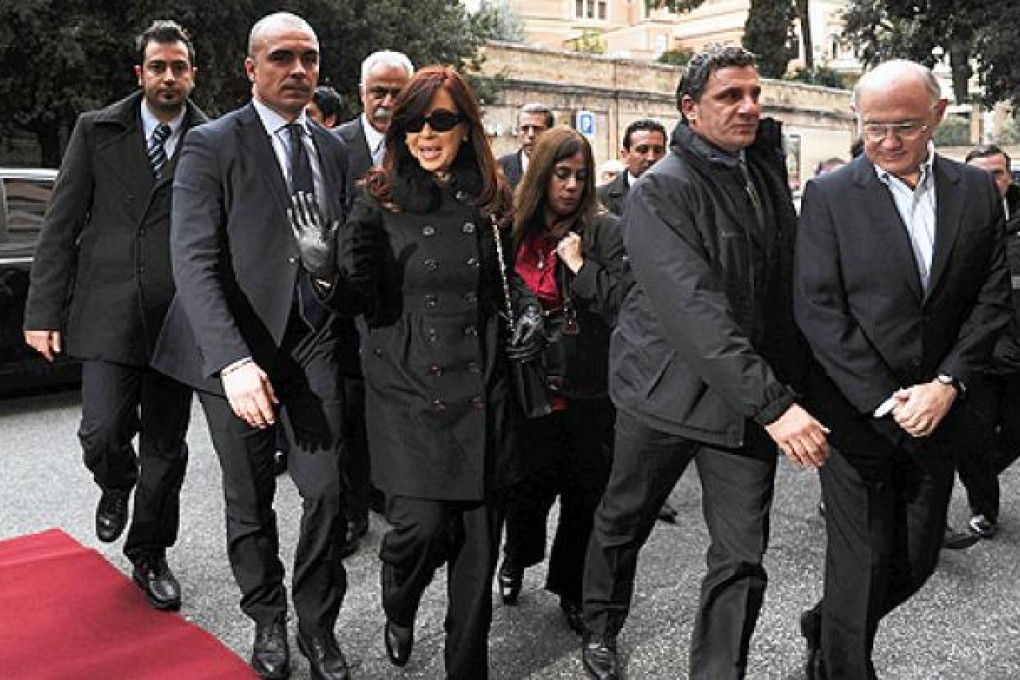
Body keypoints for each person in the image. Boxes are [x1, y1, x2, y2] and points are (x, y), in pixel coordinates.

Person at [580, 44, 829, 680]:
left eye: (754, 94)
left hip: (744, 401)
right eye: (730, 96)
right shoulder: (662, 189)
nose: (748, 107)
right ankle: (600, 624)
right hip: (665, 394)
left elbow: (784, 291)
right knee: (623, 522)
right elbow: (694, 311)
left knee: (742, 554)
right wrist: (776, 405)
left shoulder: (762, 171)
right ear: (690, 109)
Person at [794, 59, 1011, 680]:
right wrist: (889, 400)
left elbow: (990, 299)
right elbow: (817, 308)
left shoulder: (974, 193)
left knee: (914, 562)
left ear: (939, 118)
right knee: (860, 565)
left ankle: (826, 624)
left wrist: (946, 385)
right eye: (873, 128)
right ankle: (842, 663)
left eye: (905, 127)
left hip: (940, 414)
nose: (887, 142)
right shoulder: (831, 195)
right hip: (857, 417)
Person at [151, 12, 351, 680]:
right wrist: (233, 362)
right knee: (251, 497)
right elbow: (194, 261)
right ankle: (268, 619)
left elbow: (333, 259)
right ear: (251, 67)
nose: (298, 69)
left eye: (310, 58)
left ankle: (318, 625)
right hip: (233, 353)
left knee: (325, 493)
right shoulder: (211, 145)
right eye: (282, 57)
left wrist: (325, 270)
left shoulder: (332, 150)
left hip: (312, 346)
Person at [339, 65, 541, 679]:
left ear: (466, 127)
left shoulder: (489, 197)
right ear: (400, 129)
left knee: (476, 561)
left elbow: (503, 284)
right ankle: (398, 601)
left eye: (443, 120)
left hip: (483, 390)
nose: (428, 133)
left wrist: (529, 310)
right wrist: (330, 270)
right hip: (406, 390)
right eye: (417, 122)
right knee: (417, 531)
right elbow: (359, 295)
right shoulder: (376, 196)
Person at [23, 19, 205, 612]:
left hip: (179, 321)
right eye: (159, 66)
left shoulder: (212, 138)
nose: (169, 77)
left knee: (166, 448)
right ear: (141, 73)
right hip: (106, 314)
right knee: (101, 433)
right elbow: (60, 227)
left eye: (179, 67)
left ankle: (149, 553)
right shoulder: (94, 130)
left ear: (192, 74)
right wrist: (42, 311)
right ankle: (114, 482)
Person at [497, 127, 627, 635]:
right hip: (526, 382)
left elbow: (624, 306)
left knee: (583, 495)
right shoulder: (511, 229)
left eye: (581, 176)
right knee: (525, 490)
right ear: (541, 174)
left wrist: (580, 265)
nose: (571, 185)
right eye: (561, 173)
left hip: (586, 385)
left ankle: (571, 588)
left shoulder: (604, 231)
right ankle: (515, 557)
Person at [332, 49, 414, 556]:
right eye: (377, 92)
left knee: (393, 410)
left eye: (396, 92)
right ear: (361, 94)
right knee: (348, 411)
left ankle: (388, 491)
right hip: (345, 303)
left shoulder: (424, 145)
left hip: (403, 302)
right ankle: (350, 509)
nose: (387, 102)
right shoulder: (332, 146)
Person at [948, 143, 1020, 540]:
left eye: (996, 173)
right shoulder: (951, 220)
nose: (989, 183)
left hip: (1018, 354)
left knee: (1013, 434)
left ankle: (976, 471)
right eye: (979, 174)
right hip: (976, 355)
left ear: (1009, 177)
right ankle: (984, 507)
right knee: (973, 435)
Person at [596, 118, 667, 216]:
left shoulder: (678, 195)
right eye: (642, 150)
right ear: (625, 155)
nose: (651, 158)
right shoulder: (600, 198)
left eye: (658, 150)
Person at [498, 103, 554, 188]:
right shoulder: (501, 167)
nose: (531, 135)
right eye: (525, 128)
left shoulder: (559, 166)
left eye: (537, 129)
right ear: (517, 131)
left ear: (551, 132)